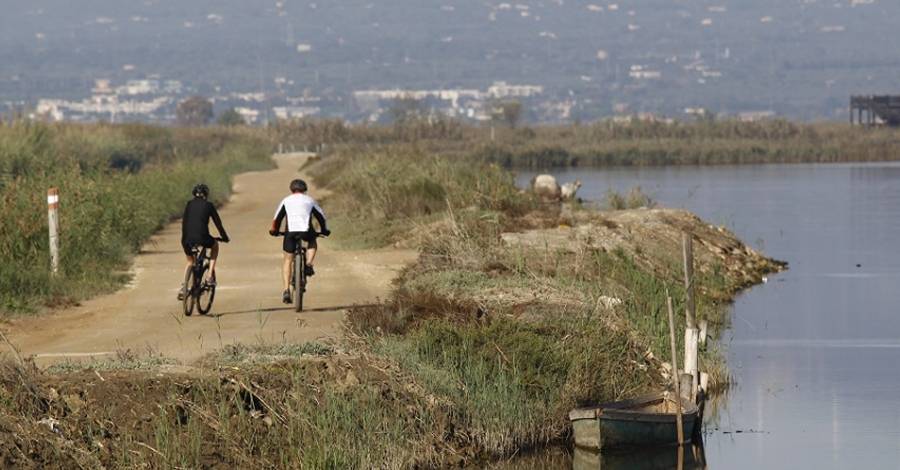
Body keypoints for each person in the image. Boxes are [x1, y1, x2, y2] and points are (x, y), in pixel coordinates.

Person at [269, 179, 330, 304]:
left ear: (291, 190)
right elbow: (321, 216)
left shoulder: (286, 200)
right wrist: (324, 230)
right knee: (312, 241)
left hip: (290, 233)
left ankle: (286, 290)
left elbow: (277, 219)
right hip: (306, 231)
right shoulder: (310, 200)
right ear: (305, 190)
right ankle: (308, 263)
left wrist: (274, 231)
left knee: (287, 260)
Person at [179, 183, 229, 300]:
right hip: (202, 237)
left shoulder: (189, 205)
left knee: (190, 262)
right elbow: (218, 224)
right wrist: (224, 237)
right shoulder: (209, 205)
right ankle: (209, 276)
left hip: (186, 238)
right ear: (206, 195)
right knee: (214, 245)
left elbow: (184, 223)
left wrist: (185, 239)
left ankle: (184, 287)